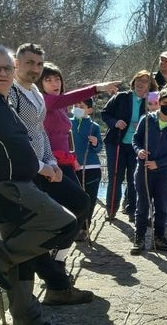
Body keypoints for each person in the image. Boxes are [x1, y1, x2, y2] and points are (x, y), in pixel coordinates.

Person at [0, 45, 79, 325]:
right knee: (65, 222)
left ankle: (27, 322)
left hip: (20, 184)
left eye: (6, 68)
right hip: (2, 187)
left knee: (21, 256)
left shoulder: (2, 101)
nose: (2, 73)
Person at [7, 43, 93, 305]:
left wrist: (52, 162)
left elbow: (39, 132)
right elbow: (17, 138)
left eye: (39, 64)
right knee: (50, 220)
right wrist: (43, 166)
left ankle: (55, 264)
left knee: (81, 203)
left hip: (49, 166)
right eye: (29, 63)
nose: (34, 68)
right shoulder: (10, 93)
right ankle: (55, 282)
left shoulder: (33, 91)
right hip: (25, 171)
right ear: (16, 64)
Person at [37, 62, 119, 240]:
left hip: (65, 163)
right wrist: (97, 88)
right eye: (48, 80)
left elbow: (65, 136)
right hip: (50, 165)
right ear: (39, 84)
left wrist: (72, 158)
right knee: (74, 205)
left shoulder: (60, 107)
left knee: (81, 205)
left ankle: (58, 251)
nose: (54, 83)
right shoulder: (44, 101)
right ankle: (51, 249)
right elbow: (68, 99)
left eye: (57, 79)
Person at [130, 88, 167, 254]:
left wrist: (159, 163)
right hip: (144, 170)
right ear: (159, 102)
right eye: (165, 102)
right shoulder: (146, 119)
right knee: (142, 205)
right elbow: (136, 139)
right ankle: (139, 238)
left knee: (161, 207)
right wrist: (139, 150)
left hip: (163, 172)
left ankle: (159, 237)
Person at [102, 70, 157, 220]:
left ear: (150, 85)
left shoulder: (151, 99)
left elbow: (158, 116)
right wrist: (115, 123)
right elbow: (105, 113)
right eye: (138, 79)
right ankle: (111, 209)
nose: (140, 83)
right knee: (115, 177)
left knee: (135, 178)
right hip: (116, 142)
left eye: (145, 81)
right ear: (133, 82)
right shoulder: (121, 97)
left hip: (137, 146)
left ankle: (132, 210)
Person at [71, 98, 103, 239]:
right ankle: (74, 226)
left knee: (89, 199)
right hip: (72, 167)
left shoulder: (94, 126)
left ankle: (85, 227)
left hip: (91, 167)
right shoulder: (67, 123)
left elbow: (99, 148)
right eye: (75, 105)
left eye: (81, 106)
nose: (77, 107)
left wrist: (95, 143)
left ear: (89, 110)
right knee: (74, 199)